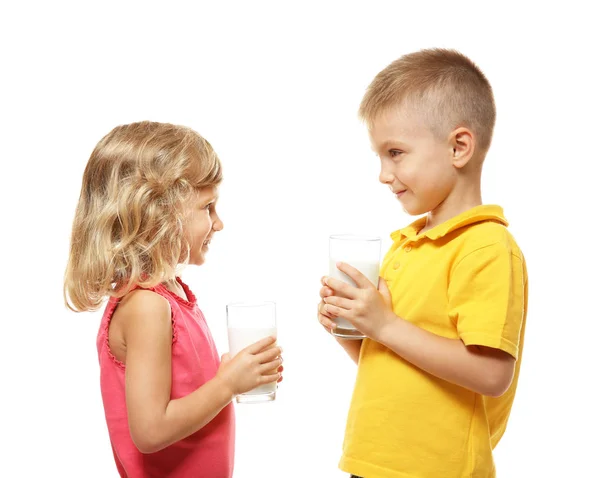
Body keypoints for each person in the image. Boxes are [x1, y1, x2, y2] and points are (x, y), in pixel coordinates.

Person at [318, 48, 528, 478]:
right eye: (379, 156)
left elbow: (491, 374)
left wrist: (385, 325)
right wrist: (354, 329)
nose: (382, 173)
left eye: (395, 153)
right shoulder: (407, 245)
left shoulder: (486, 246)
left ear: (458, 146)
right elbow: (400, 364)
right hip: (373, 461)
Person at [64, 121, 283, 477]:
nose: (218, 222)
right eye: (207, 207)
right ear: (158, 213)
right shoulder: (148, 306)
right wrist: (228, 385)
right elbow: (150, 432)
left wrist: (228, 374)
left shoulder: (171, 295)